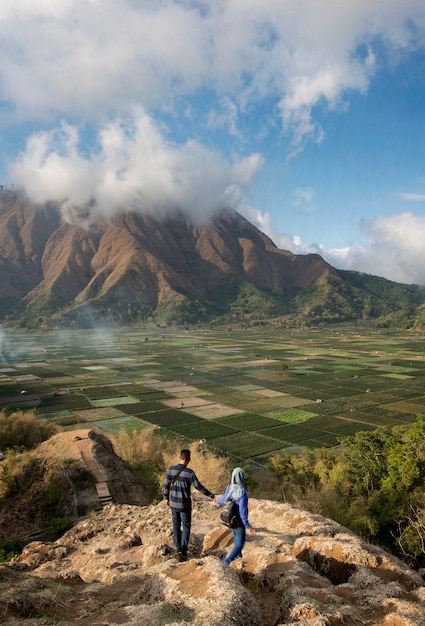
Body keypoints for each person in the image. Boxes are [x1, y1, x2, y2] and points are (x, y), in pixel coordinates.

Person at [164, 448, 215, 561]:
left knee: (176, 525)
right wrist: (212, 496)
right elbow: (199, 486)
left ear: (180, 457)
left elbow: (166, 485)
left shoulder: (171, 470)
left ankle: (178, 548)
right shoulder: (189, 473)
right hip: (184, 505)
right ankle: (183, 552)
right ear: (188, 459)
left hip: (173, 503)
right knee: (186, 527)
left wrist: (166, 498)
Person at [215, 467, 256, 564]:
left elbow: (224, 500)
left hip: (229, 519)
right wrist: (248, 526)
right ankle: (226, 562)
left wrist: (217, 500)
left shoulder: (229, 487)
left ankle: (239, 560)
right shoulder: (242, 492)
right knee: (239, 544)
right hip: (238, 522)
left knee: (237, 540)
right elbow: (242, 512)